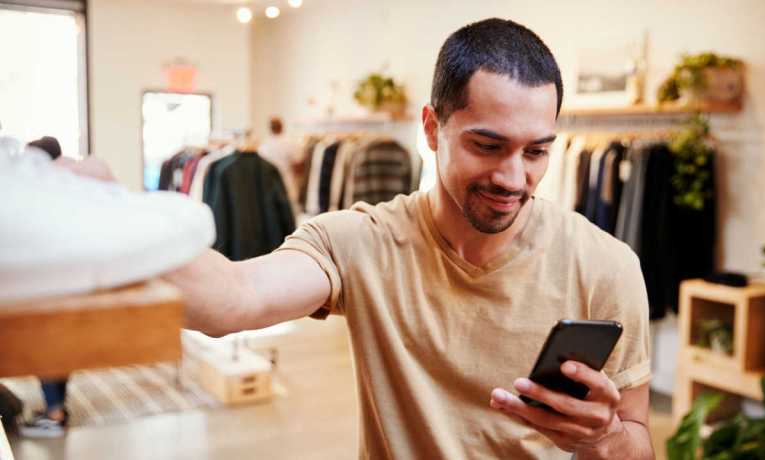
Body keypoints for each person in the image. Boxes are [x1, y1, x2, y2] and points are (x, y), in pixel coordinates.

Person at [64, 18, 653, 459]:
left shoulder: (605, 265)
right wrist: (106, 210)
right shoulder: (361, 242)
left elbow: (641, 443)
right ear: (431, 127)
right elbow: (232, 298)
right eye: (488, 146)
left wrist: (604, 436)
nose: (513, 177)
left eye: (536, 152)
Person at [20, 136, 71, 438]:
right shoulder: (63, 187)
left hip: (47, 280)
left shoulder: (39, 192)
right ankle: (57, 408)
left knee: (46, 345)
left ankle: (55, 414)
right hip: (63, 277)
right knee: (57, 345)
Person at [258, 116, 301, 207]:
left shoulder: (264, 145)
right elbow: (297, 165)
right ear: (282, 127)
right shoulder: (290, 143)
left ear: (269, 128)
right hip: (287, 182)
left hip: (269, 184)